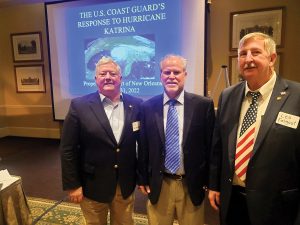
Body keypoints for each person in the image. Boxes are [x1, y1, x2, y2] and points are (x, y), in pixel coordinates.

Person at [208, 32, 300, 225]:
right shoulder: (228, 95)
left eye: (256, 52)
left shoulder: (296, 96)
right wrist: (214, 185)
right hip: (232, 199)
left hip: (277, 206)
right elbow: (218, 146)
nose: (248, 59)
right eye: (243, 54)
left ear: (272, 58)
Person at [60, 56, 142, 225]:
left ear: (121, 78)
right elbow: (68, 148)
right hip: (92, 185)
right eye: (102, 73)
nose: (107, 77)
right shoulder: (79, 106)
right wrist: (73, 185)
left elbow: (143, 145)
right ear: (95, 78)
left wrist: (143, 177)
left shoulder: (136, 104)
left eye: (112, 73)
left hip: (124, 185)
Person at [138, 54, 215, 225]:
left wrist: (212, 182)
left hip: (191, 184)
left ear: (185, 75)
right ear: (160, 76)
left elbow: (211, 147)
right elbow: (143, 146)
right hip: (160, 183)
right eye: (166, 72)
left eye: (176, 72)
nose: (171, 76)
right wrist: (142, 178)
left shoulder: (203, 105)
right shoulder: (147, 107)